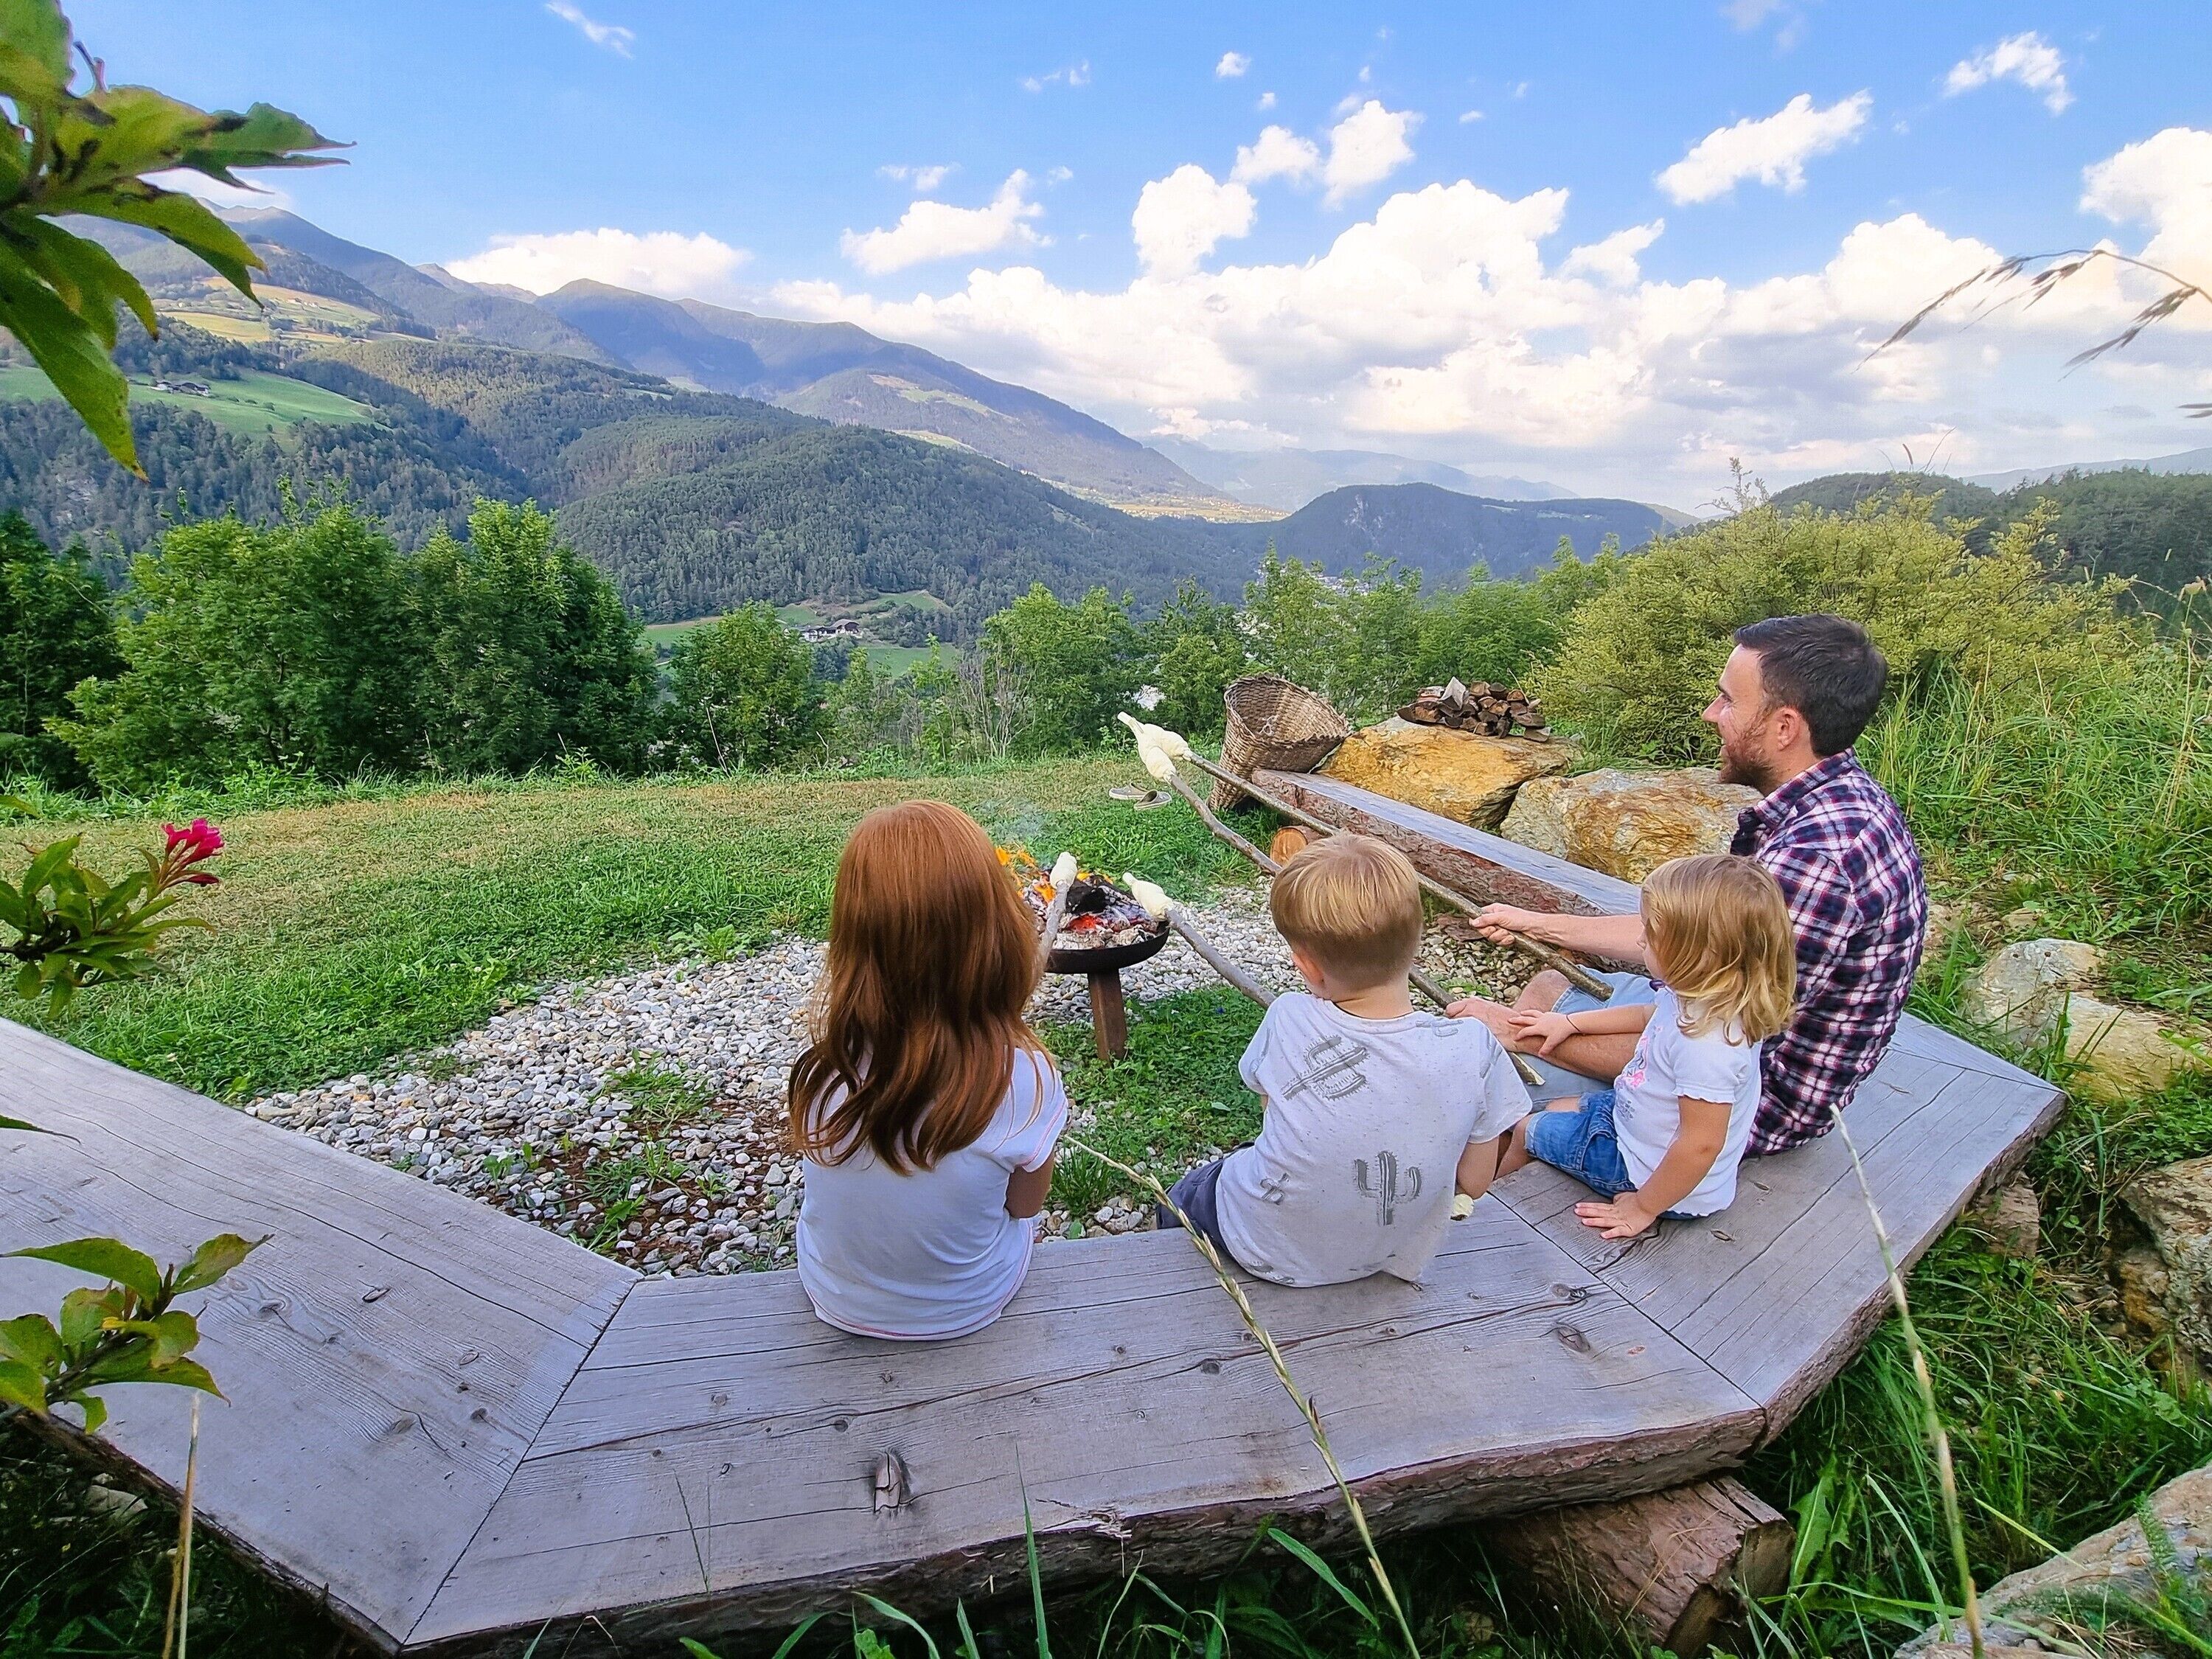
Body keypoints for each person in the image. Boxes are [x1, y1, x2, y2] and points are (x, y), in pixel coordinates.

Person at [1452, 613, 1928, 1155]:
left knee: (1496, 1091)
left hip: (1741, 1095)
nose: (1711, 714)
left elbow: (1712, 1038)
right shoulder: (1833, 794)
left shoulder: (1813, 866)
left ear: (1784, 727)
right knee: (1547, 991)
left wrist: (1514, 1032)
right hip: (1714, 1023)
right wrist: (1535, 921)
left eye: (1728, 700)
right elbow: (1689, 940)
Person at [1159, 834, 1529, 1287]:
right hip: (1383, 1256)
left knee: (1185, 1193)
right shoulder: (1475, 1047)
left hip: (1262, 1245)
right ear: (1415, 945)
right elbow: (1473, 1183)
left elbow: (1274, 1113)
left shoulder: (1289, 1016)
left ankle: (1172, 1280)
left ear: (1308, 967)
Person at [790, 800, 1065, 1340]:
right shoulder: (1026, 1078)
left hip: (834, 1293)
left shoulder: (824, 1069)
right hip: (967, 1306)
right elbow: (1025, 1205)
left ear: (853, 940)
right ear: (995, 931)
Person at [1499, 855, 1796, 1239]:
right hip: (1637, 1119)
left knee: (1527, 1125)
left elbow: (1701, 1146)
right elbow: (1644, 1014)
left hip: (1648, 1175)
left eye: (1652, 934)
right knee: (1558, 1105)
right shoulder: (1701, 994)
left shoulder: (1707, 1047)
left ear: (1700, 953)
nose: (1640, 940)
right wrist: (1568, 1022)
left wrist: (1642, 1207)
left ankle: (1491, 1206)